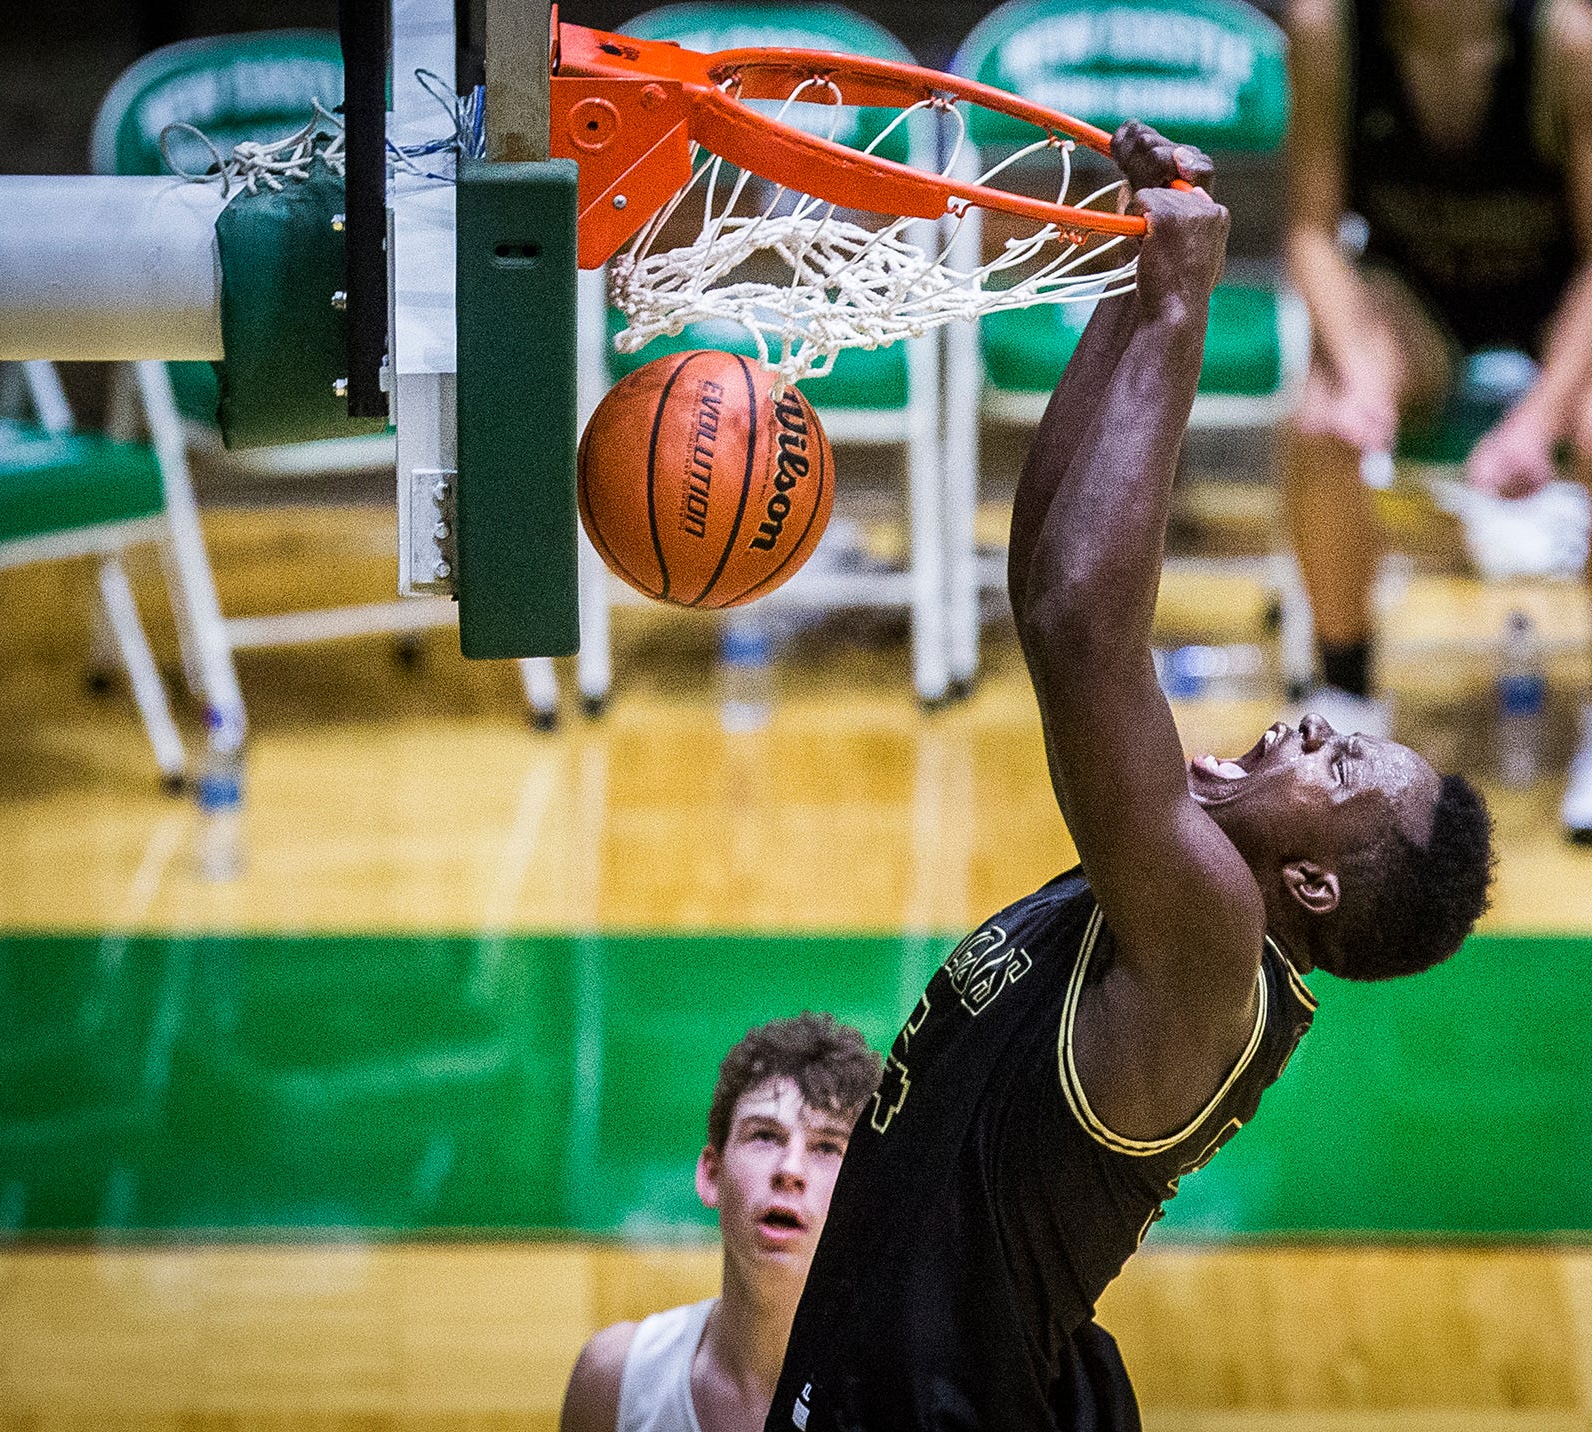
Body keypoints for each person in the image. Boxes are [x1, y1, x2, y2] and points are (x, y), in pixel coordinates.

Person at [764, 124, 1495, 1432]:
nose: (1309, 726)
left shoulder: (1212, 941)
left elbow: (1084, 630)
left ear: (1313, 876)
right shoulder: (1189, 906)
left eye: (1340, 762)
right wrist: (1128, 266)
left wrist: (1181, 299)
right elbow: (1046, 566)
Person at [1285, 0, 1592, 843]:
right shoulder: (1328, 32)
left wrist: (1538, 419)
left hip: (1566, 301)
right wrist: (1356, 375)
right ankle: (1344, 696)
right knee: (1320, 426)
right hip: (1415, 297)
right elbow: (1312, 233)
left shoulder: (1566, 38)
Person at [562, 1013, 881, 1432]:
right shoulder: (615, 1380)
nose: (790, 1168)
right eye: (765, 1136)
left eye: (826, 1146)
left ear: (864, 1197)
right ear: (712, 1176)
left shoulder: (904, 1401)